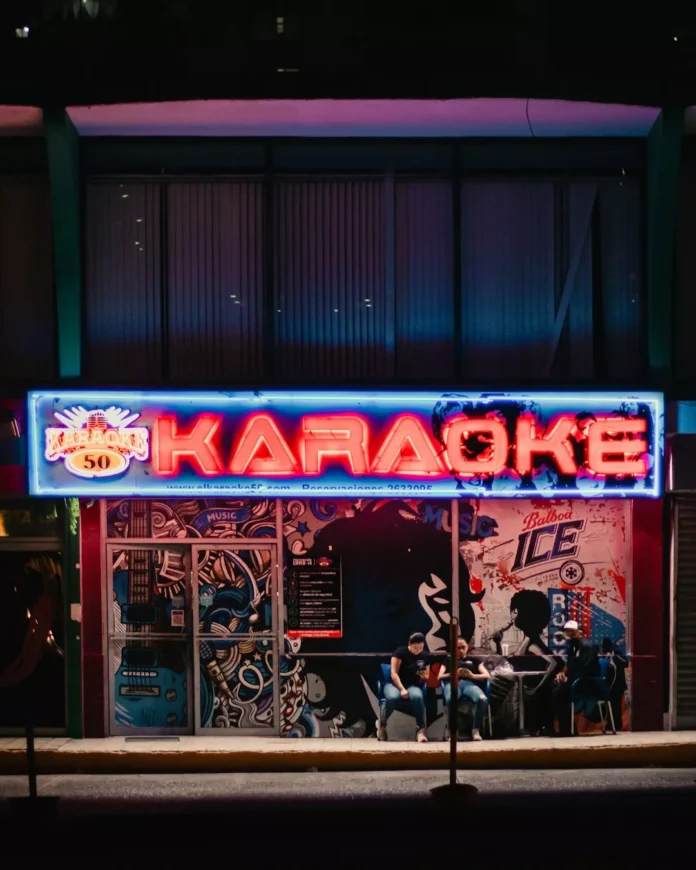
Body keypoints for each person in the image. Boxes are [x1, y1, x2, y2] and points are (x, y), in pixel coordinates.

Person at [378, 632, 432, 743]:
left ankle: (420, 730)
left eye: (421, 647)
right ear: (409, 644)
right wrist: (402, 689)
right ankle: (382, 724)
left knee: (418, 697)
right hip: (394, 684)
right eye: (415, 648)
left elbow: (427, 676)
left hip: (412, 685)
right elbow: (394, 673)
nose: (418, 650)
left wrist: (423, 675)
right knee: (393, 697)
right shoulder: (400, 652)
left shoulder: (425, 656)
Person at [552, 620, 600, 736]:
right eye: (567, 632)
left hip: (587, 683)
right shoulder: (573, 647)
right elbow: (571, 668)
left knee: (559, 693)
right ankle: (560, 728)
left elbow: (587, 670)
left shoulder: (586, 647)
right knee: (551, 688)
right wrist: (563, 675)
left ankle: (567, 730)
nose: (569, 636)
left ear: (579, 633)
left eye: (572, 633)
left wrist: (569, 680)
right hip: (576, 681)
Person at [439, 636, 491, 741]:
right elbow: (439, 676)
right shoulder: (448, 659)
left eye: (463, 647)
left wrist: (472, 675)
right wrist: (453, 674)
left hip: (469, 684)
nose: (461, 650)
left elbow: (487, 675)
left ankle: (475, 730)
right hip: (453, 683)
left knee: (482, 699)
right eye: (458, 648)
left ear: (467, 647)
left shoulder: (474, 660)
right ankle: (453, 732)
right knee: (451, 699)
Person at [602, 637, 629, 731]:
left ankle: (616, 725)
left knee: (616, 705)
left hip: (618, 683)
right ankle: (611, 723)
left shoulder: (616, 652)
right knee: (612, 704)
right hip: (612, 683)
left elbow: (625, 663)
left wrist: (614, 657)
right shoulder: (607, 654)